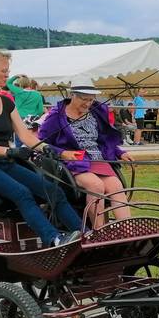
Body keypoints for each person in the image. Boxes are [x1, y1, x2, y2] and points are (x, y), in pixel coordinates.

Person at [0, 47, 82, 248]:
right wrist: (10, 151)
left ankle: (84, 236)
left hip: (4, 162)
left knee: (54, 191)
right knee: (22, 193)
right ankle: (54, 239)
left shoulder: (7, 101)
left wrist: (49, 149)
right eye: (4, 71)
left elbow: (25, 135)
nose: (8, 75)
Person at [38, 78, 134, 227]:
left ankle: (128, 230)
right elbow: (42, 142)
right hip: (74, 162)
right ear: (72, 95)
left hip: (98, 158)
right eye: (84, 99)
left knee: (116, 186)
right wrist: (62, 152)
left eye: (91, 99)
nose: (88, 103)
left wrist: (119, 152)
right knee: (96, 186)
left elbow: (103, 138)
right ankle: (98, 231)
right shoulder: (56, 116)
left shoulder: (96, 111)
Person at [6, 74, 45, 147]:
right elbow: (40, 110)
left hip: (19, 119)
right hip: (33, 120)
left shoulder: (18, 91)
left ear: (20, 83)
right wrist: (36, 116)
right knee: (31, 141)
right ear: (29, 83)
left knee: (19, 141)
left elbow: (8, 83)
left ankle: (20, 157)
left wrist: (16, 76)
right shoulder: (37, 94)